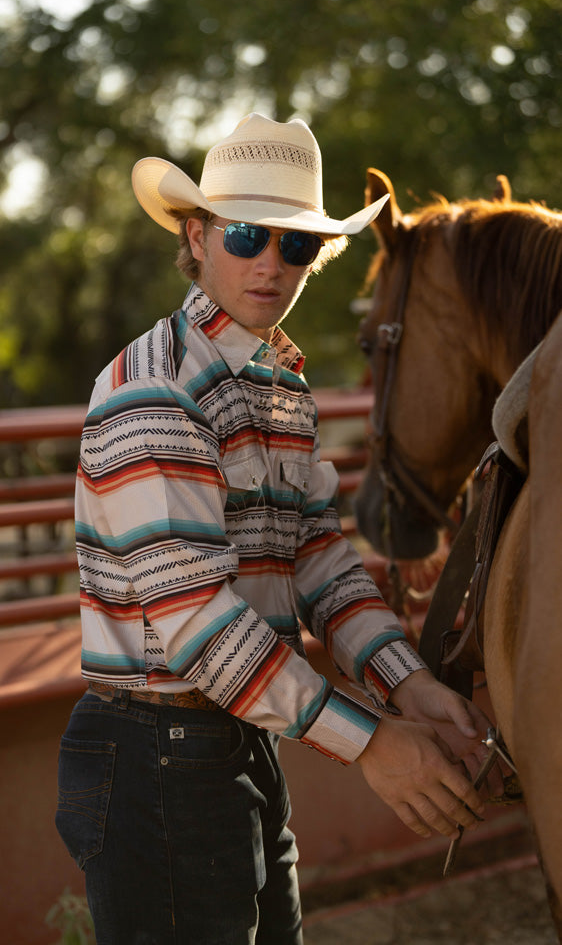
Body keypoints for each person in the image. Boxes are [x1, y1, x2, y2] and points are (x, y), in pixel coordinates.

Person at [56, 113, 500, 945]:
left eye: (294, 244)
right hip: (156, 749)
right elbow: (198, 628)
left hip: (243, 736)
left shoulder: (277, 389)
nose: (270, 262)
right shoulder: (157, 388)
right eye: (247, 234)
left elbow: (321, 562)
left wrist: (411, 686)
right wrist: (374, 744)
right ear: (197, 235)